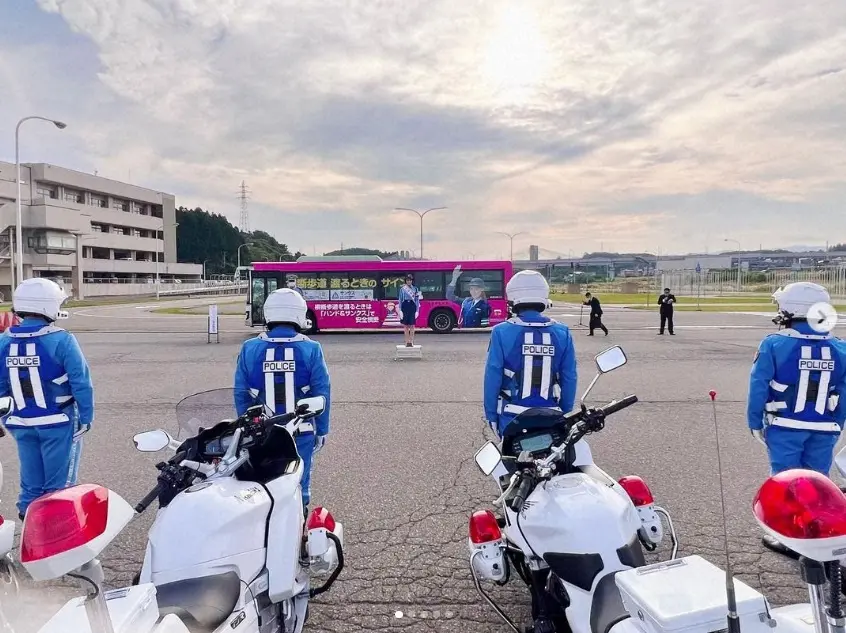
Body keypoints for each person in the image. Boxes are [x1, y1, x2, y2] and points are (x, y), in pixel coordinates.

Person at [747, 281, 846, 554]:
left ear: (791, 309)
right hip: (825, 426)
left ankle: (790, 537)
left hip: (785, 424)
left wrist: (754, 420)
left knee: (786, 480)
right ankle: (818, 535)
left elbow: (759, 384)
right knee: (818, 481)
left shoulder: (774, 344)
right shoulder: (840, 347)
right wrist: (838, 420)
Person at [0, 277, 94, 521]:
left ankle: (29, 525)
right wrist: (86, 416)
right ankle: (56, 538)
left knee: (31, 482)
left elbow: (0, 386)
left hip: (21, 423)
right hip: (58, 421)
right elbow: (80, 381)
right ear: (48, 306)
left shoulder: (4, 341)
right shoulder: (61, 339)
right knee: (59, 484)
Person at [233, 288, 330, 510]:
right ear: (299, 314)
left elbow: (241, 393)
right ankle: (299, 524)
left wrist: (247, 425)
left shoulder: (250, 348)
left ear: (269, 314)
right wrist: (322, 429)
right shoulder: (311, 348)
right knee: (299, 482)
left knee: (261, 484)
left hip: (261, 432)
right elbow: (322, 392)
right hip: (301, 431)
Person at [483, 270, 578, 437]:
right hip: (551, 415)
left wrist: (491, 414)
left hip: (511, 417)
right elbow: (569, 377)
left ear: (513, 299)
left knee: (507, 461)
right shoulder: (562, 332)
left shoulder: (501, 331)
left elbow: (493, 377)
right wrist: (565, 412)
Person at [398, 274, 421, 347]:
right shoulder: (402, 289)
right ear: (406, 281)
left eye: (410, 280)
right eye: (407, 280)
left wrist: (417, 310)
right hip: (405, 306)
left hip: (412, 306)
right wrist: (400, 310)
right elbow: (400, 300)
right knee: (406, 326)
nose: (409, 281)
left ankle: (411, 341)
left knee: (412, 325)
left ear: (412, 281)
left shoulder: (415, 289)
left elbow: (417, 300)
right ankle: (407, 342)